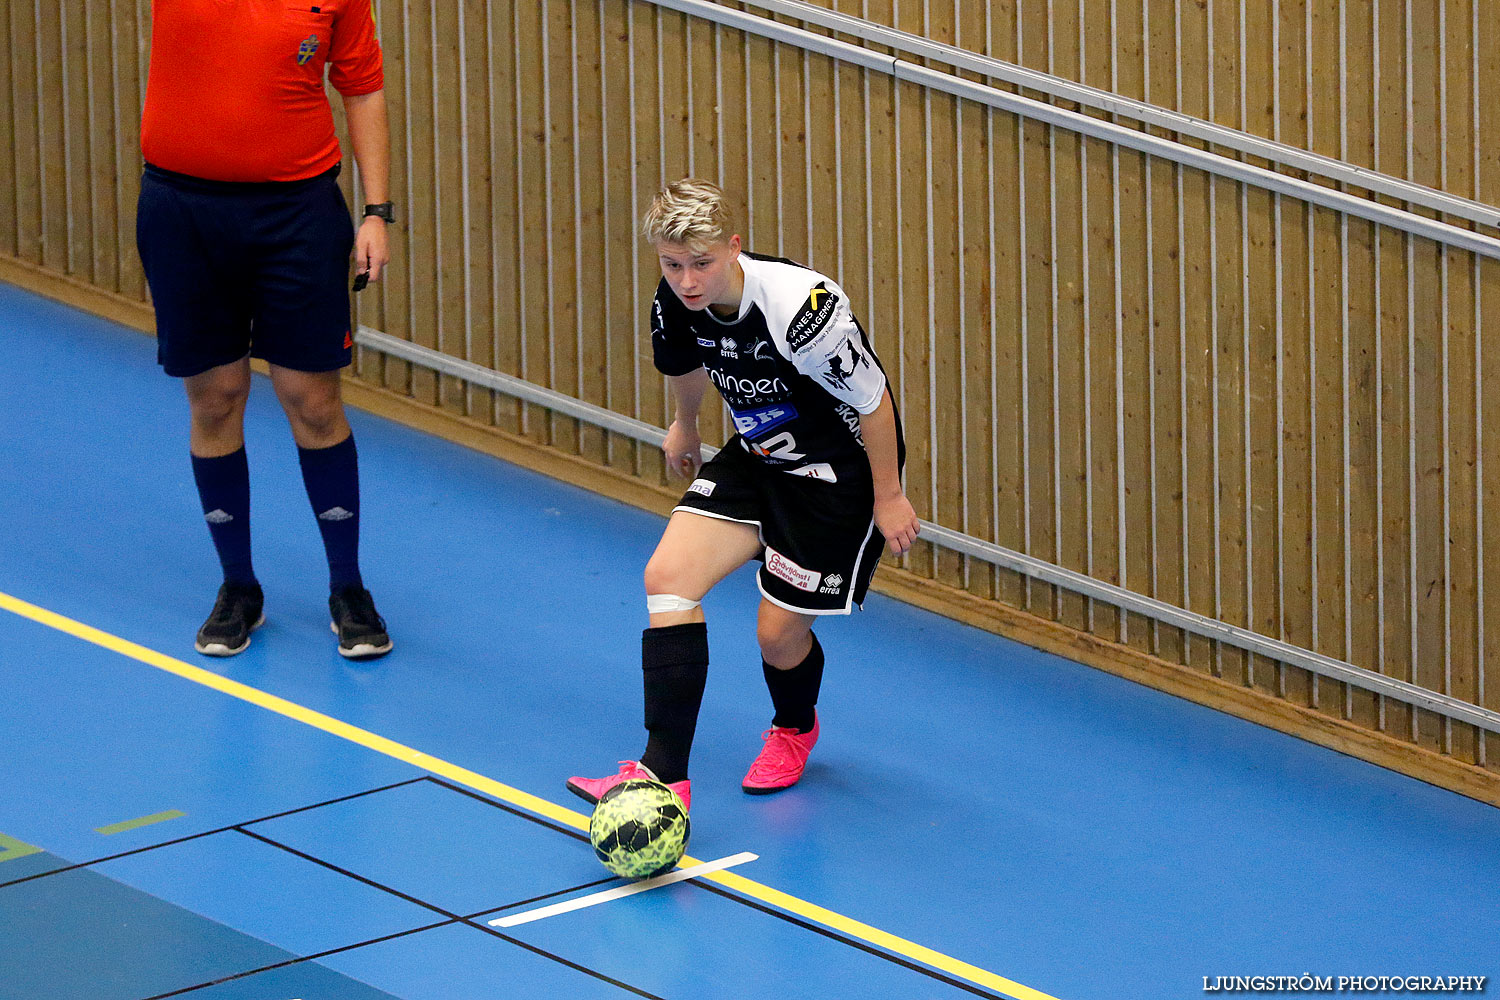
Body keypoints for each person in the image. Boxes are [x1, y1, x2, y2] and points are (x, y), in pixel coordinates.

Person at [568, 179, 918, 810]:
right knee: (667, 577)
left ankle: (794, 728)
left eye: (702, 263)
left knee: (776, 636)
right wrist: (687, 422)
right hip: (758, 458)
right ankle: (661, 776)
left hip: (835, 479)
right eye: (673, 265)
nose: (688, 280)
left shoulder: (802, 309)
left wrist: (889, 497)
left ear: (733, 248)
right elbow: (687, 361)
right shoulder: (676, 295)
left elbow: (872, 399)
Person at [135, 0, 395, 659]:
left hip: (296, 215)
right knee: (216, 397)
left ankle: (347, 589)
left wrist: (376, 212)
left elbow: (361, 85)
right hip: (182, 211)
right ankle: (238, 588)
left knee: (312, 400)